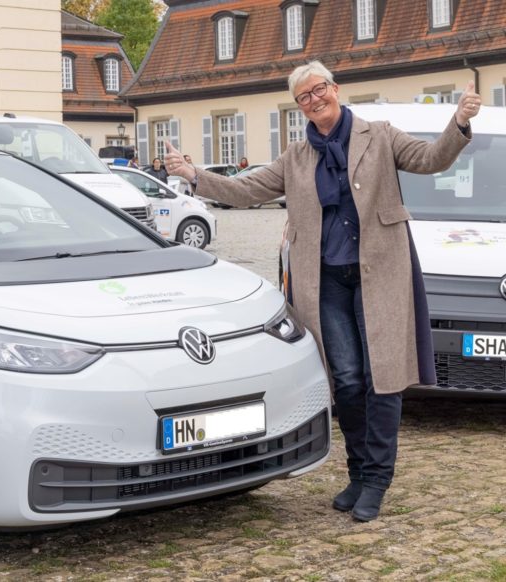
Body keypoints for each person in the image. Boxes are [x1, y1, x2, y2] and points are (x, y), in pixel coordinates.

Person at [163, 60, 479, 522]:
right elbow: (246, 190)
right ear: (299, 107)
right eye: (304, 97)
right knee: (346, 379)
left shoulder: (380, 135)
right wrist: (194, 175)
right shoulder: (296, 157)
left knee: (382, 377)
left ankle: (377, 479)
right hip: (326, 280)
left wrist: (460, 121)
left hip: (379, 274)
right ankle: (358, 472)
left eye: (318, 90)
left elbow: (431, 159)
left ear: (335, 88)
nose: (314, 100)